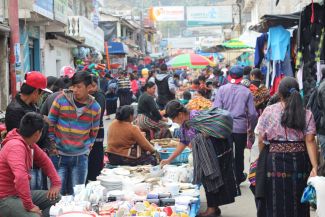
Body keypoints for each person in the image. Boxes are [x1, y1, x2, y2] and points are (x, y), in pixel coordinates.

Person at [161, 101, 239, 217]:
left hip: (216, 153)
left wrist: (204, 136)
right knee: (209, 180)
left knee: (211, 178)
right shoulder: (185, 125)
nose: (173, 121)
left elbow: (211, 131)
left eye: (174, 118)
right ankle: (214, 208)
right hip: (207, 155)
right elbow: (183, 142)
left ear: (180, 115)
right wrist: (169, 159)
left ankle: (212, 210)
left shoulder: (197, 118)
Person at [256, 77, 318, 217]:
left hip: (274, 161)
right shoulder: (306, 113)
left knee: (274, 199)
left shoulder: (269, 111)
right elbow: (310, 140)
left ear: (279, 93)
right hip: (299, 162)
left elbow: (261, 139)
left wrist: (263, 156)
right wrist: (315, 166)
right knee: (298, 200)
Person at [48, 72, 101, 195]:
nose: (75, 90)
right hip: (59, 156)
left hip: (80, 158)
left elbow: (94, 132)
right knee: (57, 196)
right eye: (74, 86)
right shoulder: (61, 99)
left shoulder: (95, 107)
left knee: (77, 196)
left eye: (79, 87)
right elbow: (50, 123)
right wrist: (52, 145)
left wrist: (87, 150)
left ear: (89, 88)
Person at [0, 112, 61, 217]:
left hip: (18, 194)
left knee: (56, 197)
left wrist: (55, 183)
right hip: (5, 198)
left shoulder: (28, 143)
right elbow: (20, 177)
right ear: (38, 133)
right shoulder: (16, 146)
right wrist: (29, 206)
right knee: (34, 216)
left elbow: (45, 161)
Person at [5, 71, 53, 190]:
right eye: (41, 94)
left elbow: (42, 134)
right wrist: (44, 124)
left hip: (37, 159)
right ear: (36, 92)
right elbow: (25, 139)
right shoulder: (14, 110)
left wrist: (46, 147)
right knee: (31, 196)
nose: (41, 97)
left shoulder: (33, 107)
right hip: (25, 164)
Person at [213, 65, 258, 185]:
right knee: (239, 153)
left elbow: (216, 109)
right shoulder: (246, 91)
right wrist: (251, 128)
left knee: (226, 152)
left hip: (225, 126)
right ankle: (238, 177)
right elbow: (253, 114)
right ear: (242, 77)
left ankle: (227, 177)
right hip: (240, 128)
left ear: (229, 76)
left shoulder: (222, 90)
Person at [87, 75, 106, 182]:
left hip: (97, 129)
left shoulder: (99, 96)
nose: (91, 89)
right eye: (90, 86)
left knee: (96, 153)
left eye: (93, 86)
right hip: (88, 130)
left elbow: (98, 113)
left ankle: (94, 177)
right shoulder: (88, 96)